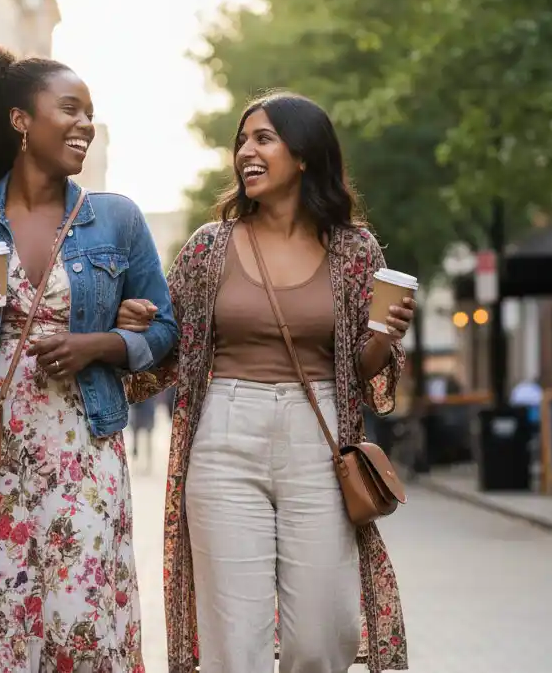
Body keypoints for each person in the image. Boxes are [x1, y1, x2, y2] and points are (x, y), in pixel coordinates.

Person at [116, 92, 413, 673]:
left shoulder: (355, 251)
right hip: (224, 433)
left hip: (319, 436)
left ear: (303, 155)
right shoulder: (208, 247)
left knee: (323, 635)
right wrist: (138, 322)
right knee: (236, 642)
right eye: (242, 141)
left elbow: (360, 372)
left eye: (263, 139)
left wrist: (384, 336)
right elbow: (170, 344)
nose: (246, 152)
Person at [0, 42, 177, 673]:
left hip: (82, 446)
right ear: (20, 120)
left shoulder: (116, 221)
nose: (84, 124)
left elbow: (164, 331)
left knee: (82, 623)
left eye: (90, 113)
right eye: (70, 109)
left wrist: (99, 344)